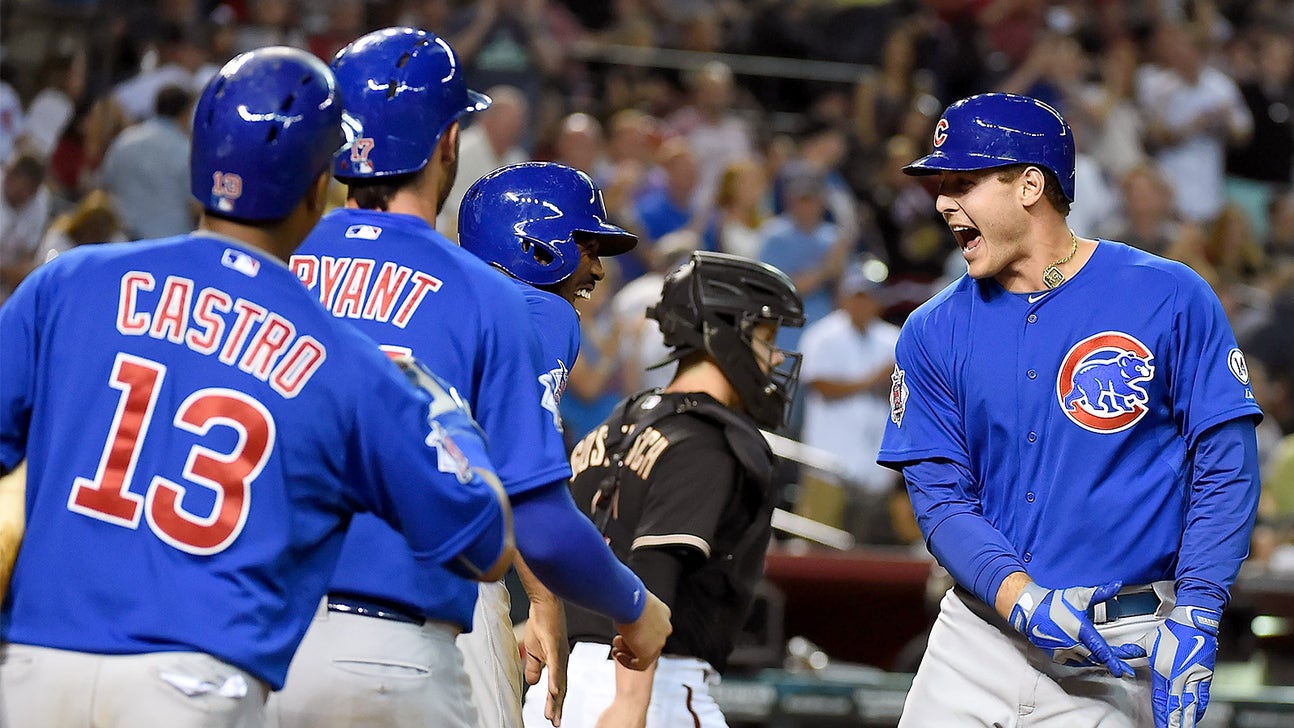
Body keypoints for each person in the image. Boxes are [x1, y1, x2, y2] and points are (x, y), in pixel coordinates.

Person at [0, 46, 514, 728]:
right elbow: (481, 540)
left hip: (37, 669)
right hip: (193, 683)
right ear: (316, 187)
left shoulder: (68, 282)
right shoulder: (347, 358)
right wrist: (443, 413)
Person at [274, 28, 670, 728]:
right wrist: (614, 606)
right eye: (587, 246)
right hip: (410, 620)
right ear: (449, 141)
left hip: (263, 622)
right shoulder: (515, 305)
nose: (598, 268)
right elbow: (532, 506)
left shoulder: (273, 268)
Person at [877, 92, 1263, 728]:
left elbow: (1225, 467)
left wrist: (1199, 608)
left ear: (1031, 184)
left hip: (1122, 647)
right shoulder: (931, 329)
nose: (944, 200)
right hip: (977, 638)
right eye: (941, 184)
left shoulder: (1167, 295)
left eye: (965, 181)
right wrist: (1020, 597)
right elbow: (940, 498)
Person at [526, 251, 806, 728]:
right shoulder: (707, 436)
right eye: (765, 336)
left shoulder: (614, 424)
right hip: (651, 688)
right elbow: (656, 562)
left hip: (559, 689)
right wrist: (630, 705)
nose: (776, 356)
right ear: (724, 331)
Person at [457, 160, 639, 717]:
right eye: (587, 246)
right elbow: (521, 476)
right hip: (446, 583)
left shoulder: (433, 300)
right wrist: (545, 602)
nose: (598, 271)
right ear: (539, 245)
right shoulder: (543, 309)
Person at [794, 262, 901, 544]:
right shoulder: (823, 335)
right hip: (828, 459)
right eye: (858, 296)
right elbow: (821, 385)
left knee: (866, 547)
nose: (864, 304)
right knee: (815, 541)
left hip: (876, 464)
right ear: (844, 297)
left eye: (870, 297)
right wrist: (872, 379)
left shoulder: (892, 338)